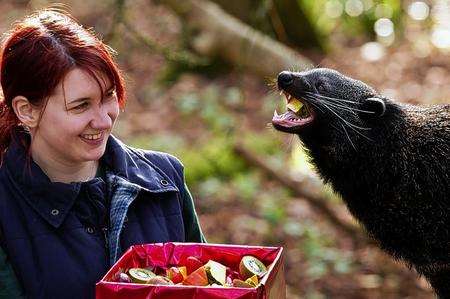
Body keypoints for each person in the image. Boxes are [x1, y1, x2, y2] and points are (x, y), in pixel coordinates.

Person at [0, 9, 205, 299]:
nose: (104, 120)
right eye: (81, 106)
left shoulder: (165, 180)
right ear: (26, 111)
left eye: (108, 96)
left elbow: (207, 286)